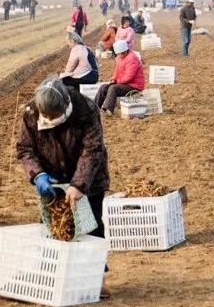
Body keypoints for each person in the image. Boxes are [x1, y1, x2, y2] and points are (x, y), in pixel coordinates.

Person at [16, 77, 108, 238]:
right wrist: (38, 174)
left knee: (90, 233)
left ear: (66, 104)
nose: (51, 120)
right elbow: (25, 148)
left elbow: (93, 149)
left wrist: (79, 185)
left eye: (55, 116)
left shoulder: (85, 109)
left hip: (89, 182)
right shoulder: (32, 112)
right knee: (54, 231)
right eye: (47, 117)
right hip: (54, 182)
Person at [93, 39, 145, 115]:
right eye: (118, 54)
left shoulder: (132, 58)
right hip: (124, 83)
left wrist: (117, 81)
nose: (119, 55)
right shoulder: (119, 58)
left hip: (134, 85)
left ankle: (108, 110)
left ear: (125, 51)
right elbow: (117, 70)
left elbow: (129, 76)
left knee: (113, 88)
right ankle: (94, 108)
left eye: (120, 53)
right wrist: (113, 79)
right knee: (103, 87)